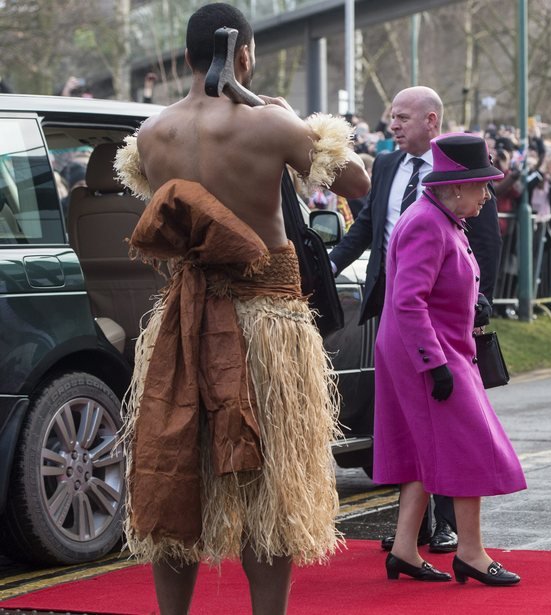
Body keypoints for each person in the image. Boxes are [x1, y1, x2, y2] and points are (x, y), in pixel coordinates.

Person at [111, 4, 369, 614]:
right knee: (269, 493)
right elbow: (357, 181)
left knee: (177, 476)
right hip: (266, 327)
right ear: (245, 55)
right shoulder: (270, 126)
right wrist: (274, 108)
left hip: (183, 327)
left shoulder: (153, 135)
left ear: (186, 58)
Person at [329, 86, 503, 554]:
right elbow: (368, 232)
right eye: (392, 117)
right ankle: (463, 551)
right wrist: (328, 267)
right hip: (412, 321)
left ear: (431, 120)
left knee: (424, 434)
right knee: (451, 436)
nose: (393, 125)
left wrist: (477, 300)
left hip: (439, 317)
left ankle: (423, 537)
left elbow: (483, 246)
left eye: (402, 117)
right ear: (461, 186)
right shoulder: (403, 186)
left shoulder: (452, 198)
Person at [374, 133, 525, 585]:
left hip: (432, 347)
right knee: (471, 446)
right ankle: (472, 553)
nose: (488, 195)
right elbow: (408, 301)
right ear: (456, 186)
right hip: (427, 350)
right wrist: (434, 363)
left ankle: (403, 550)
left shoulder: (440, 218)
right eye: (482, 185)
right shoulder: (427, 222)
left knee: (426, 448)